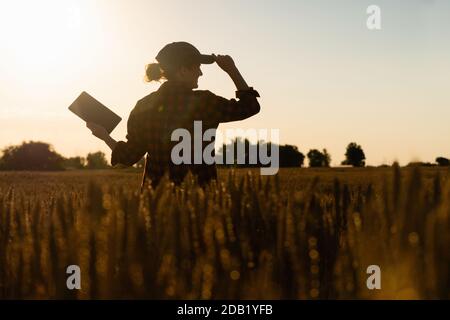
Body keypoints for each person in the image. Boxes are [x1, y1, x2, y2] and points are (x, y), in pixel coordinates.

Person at [87, 41, 260, 189]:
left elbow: (127, 157)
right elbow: (250, 106)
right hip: (202, 201)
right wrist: (232, 70)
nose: (200, 73)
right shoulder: (205, 102)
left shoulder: (143, 107)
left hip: (156, 203)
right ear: (183, 71)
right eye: (197, 68)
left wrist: (104, 136)